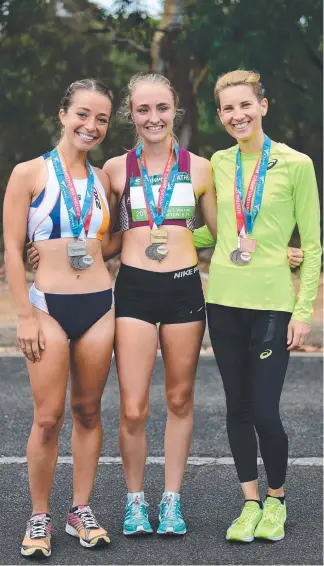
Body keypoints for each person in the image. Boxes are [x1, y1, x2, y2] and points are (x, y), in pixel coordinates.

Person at [193, 70, 321, 543]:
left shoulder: (296, 164)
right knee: (237, 409)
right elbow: (216, 233)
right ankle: (249, 502)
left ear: (263, 106)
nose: (237, 115)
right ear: (220, 115)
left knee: (266, 411)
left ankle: (277, 499)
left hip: (272, 306)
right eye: (227, 108)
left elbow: (312, 244)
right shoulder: (216, 165)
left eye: (245, 105)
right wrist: (160, 236)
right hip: (223, 302)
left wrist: (303, 310)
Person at [100, 73, 219, 536]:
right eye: (144, 110)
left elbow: (223, 234)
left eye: (162, 109)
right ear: (132, 114)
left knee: (179, 397)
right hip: (133, 290)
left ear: (176, 111)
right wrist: (48, 251)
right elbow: (105, 241)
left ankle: (171, 499)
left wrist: (277, 250)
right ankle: (135, 500)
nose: (154, 118)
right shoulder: (113, 169)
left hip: (185, 288)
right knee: (133, 408)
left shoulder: (201, 167)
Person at [3, 79, 115, 558]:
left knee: (88, 412)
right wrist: (24, 316)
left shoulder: (104, 180)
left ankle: (80, 510)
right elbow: (10, 248)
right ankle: (40, 515)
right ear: (63, 114)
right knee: (47, 418)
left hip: (98, 306)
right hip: (46, 307)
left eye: (102, 118)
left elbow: (111, 243)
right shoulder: (28, 173)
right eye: (83, 114)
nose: (91, 125)